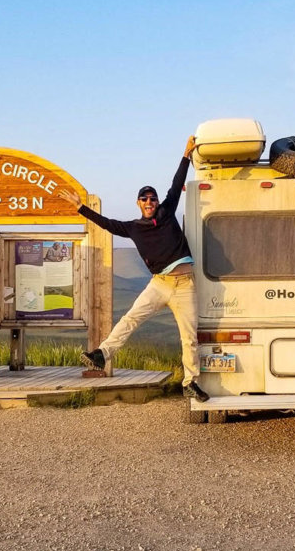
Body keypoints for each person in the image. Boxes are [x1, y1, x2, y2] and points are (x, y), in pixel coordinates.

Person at [59, 136, 208, 402]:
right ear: (138, 203)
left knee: (189, 338)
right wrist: (81, 208)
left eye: (152, 198)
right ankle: (101, 355)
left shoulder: (166, 212)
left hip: (185, 285)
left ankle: (190, 382)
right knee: (130, 319)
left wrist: (186, 155)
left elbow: (176, 184)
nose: (149, 202)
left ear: (157, 201)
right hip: (159, 284)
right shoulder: (131, 228)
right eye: (144, 199)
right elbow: (105, 223)